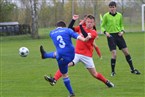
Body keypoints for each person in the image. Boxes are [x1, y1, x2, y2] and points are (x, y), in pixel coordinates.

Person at [41, 15, 114, 89]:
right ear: (86, 22)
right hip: (76, 53)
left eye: (91, 22)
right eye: (88, 22)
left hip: (87, 56)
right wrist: (73, 20)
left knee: (94, 74)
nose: (89, 23)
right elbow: (69, 29)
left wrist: (80, 25)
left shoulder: (94, 32)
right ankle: (54, 80)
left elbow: (86, 36)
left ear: (94, 23)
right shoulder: (81, 28)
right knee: (65, 65)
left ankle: (107, 82)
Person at [41, 20, 90, 97]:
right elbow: (80, 38)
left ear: (57, 26)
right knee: (63, 69)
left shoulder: (51, 33)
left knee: (64, 74)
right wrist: (86, 38)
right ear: (64, 26)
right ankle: (45, 55)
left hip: (61, 56)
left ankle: (70, 92)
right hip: (71, 54)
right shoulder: (68, 30)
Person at [101, 1, 141, 76]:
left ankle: (132, 69)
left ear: (115, 7)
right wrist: (105, 32)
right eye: (110, 7)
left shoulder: (119, 15)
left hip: (119, 35)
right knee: (114, 54)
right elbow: (102, 26)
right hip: (111, 36)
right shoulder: (106, 16)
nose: (112, 9)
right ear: (109, 8)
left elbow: (121, 25)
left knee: (126, 52)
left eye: (113, 7)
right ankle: (113, 72)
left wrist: (122, 31)